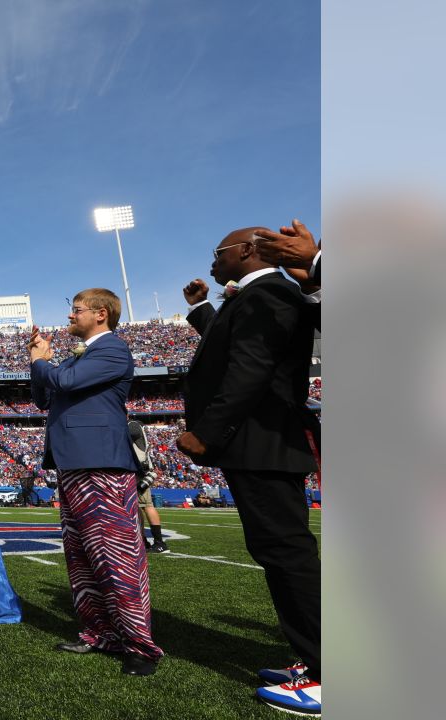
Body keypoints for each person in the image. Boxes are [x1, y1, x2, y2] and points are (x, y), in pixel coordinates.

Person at [177, 228, 321, 715]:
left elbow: (251, 366)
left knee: (287, 554)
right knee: (278, 552)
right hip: (258, 444)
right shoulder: (260, 294)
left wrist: (208, 431)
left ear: (245, 251)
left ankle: (328, 670)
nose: (212, 263)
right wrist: (203, 313)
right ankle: (312, 658)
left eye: (217, 253)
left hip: (262, 442)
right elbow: (239, 344)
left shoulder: (272, 290)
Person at [29, 288, 163, 676]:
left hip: (101, 463)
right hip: (74, 464)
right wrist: (37, 361)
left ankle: (140, 646)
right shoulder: (80, 356)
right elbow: (43, 397)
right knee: (82, 556)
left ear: (101, 314)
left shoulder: (113, 349)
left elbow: (65, 383)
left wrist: (44, 364)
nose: (70, 316)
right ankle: (100, 631)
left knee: (117, 554)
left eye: (76, 310)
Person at [127, 420, 169, 553]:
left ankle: (159, 542)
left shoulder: (132, 425)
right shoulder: (134, 425)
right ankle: (143, 540)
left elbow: (124, 435)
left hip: (140, 472)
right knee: (137, 507)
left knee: (147, 506)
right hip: (137, 471)